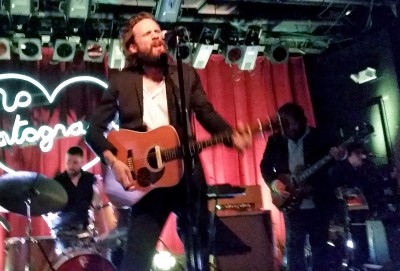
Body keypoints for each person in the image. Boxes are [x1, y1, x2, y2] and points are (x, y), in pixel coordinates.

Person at [85, 11, 252, 271]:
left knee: (200, 253)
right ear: (132, 46)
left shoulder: (183, 75)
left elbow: (206, 113)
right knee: (135, 262)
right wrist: (114, 161)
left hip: (187, 176)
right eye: (148, 33)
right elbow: (93, 130)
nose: (156, 36)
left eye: (157, 31)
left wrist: (231, 135)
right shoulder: (121, 82)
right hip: (147, 182)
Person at [260, 102, 344, 271]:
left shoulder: (320, 137)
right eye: (282, 124)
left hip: (318, 202)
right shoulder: (275, 140)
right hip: (292, 204)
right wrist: (276, 184)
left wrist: (341, 155)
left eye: (289, 123)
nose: (286, 129)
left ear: (300, 121)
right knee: (294, 248)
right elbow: (265, 167)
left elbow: (336, 163)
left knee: (320, 247)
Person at [52, 146, 104, 249]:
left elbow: (97, 205)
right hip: (64, 229)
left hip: (85, 228)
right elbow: (52, 208)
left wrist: (98, 192)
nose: (70, 166)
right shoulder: (57, 182)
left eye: (75, 163)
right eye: (68, 162)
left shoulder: (90, 179)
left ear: (82, 162)